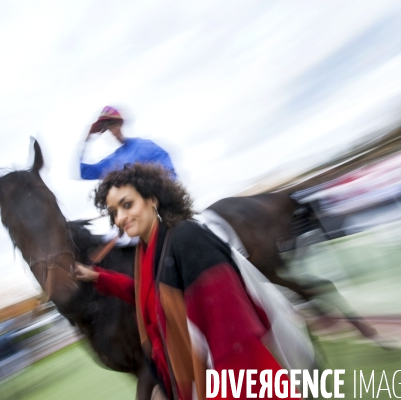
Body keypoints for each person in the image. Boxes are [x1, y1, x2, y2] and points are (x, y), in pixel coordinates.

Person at [75, 163, 295, 400]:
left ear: (152, 199)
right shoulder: (145, 251)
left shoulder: (187, 239)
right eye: (114, 212)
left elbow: (234, 337)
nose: (120, 218)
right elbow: (146, 297)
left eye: (127, 204)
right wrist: (98, 277)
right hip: (180, 379)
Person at [79, 106, 177, 180]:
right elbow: (83, 172)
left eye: (114, 124)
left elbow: (171, 175)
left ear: (121, 124)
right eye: (108, 128)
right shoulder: (111, 162)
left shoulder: (145, 146)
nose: (113, 131)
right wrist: (87, 139)